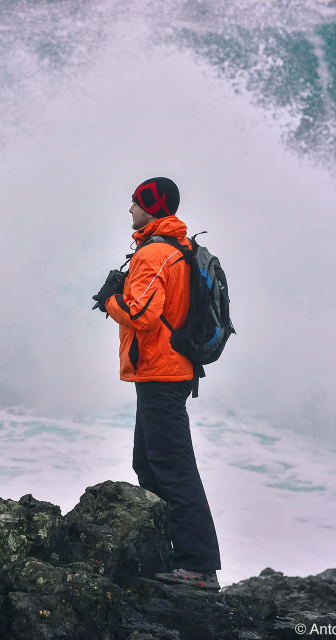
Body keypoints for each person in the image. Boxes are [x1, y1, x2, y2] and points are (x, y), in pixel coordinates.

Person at [91, 177, 222, 591]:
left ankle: (198, 567)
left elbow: (142, 314)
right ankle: (168, 555)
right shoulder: (178, 247)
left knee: (173, 469)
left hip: (162, 373)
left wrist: (110, 299)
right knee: (149, 463)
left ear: (152, 207)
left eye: (135, 204)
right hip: (167, 371)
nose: (129, 210)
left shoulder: (155, 253)